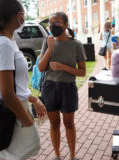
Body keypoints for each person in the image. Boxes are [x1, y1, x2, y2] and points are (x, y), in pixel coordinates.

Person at [0, 0, 47, 160]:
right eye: (24, 14)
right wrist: (26, 120)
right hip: (12, 110)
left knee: (21, 153)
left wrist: (34, 100)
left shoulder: (7, 41)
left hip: (17, 106)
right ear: (18, 16)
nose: (25, 17)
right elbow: (7, 93)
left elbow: (15, 84)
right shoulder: (4, 44)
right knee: (19, 153)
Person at [38, 12, 86, 160]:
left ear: (65, 25)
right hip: (49, 87)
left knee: (69, 123)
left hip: (68, 88)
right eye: (51, 23)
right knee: (54, 124)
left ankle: (72, 156)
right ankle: (57, 156)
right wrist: (50, 48)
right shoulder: (47, 42)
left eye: (57, 22)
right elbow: (40, 68)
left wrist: (62, 67)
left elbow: (82, 72)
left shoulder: (76, 44)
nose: (53, 25)